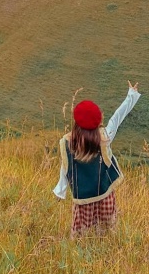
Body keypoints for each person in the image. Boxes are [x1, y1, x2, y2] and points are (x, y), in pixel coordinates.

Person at [54, 81, 141, 237]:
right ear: (98, 122)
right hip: (104, 195)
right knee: (107, 231)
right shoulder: (104, 137)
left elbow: (66, 169)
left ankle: (83, 258)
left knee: (82, 235)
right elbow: (117, 118)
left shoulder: (68, 143)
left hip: (82, 200)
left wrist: (61, 191)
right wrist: (131, 96)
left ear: (76, 123)